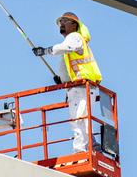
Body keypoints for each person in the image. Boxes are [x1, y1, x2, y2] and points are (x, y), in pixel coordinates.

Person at [32, 12, 102, 153]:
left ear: (74, 25)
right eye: (61, 22)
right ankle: (92, 147)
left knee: (80, 119)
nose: (62, 24)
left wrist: (45, 51)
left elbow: (65, 47)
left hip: (84, 86)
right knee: (80, 120)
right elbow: (66, 67)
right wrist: (62, 79)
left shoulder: (75, 37)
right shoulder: (69, 51)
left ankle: (81, 151)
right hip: (77, 88)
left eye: (65, 21)